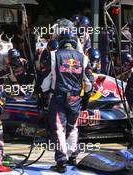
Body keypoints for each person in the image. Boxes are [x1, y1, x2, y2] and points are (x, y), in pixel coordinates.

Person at [41, 31, 94, 173]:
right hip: (76, 99)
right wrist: (86, 99)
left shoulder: (53, 55)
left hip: (58, 97)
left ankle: (61, 161)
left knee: (59, 129)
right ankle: (72, 156)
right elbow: (89, 83)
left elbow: (45, 81)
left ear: (61, 41)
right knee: (73, 128)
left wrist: (44, 96)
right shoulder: (83, 58)